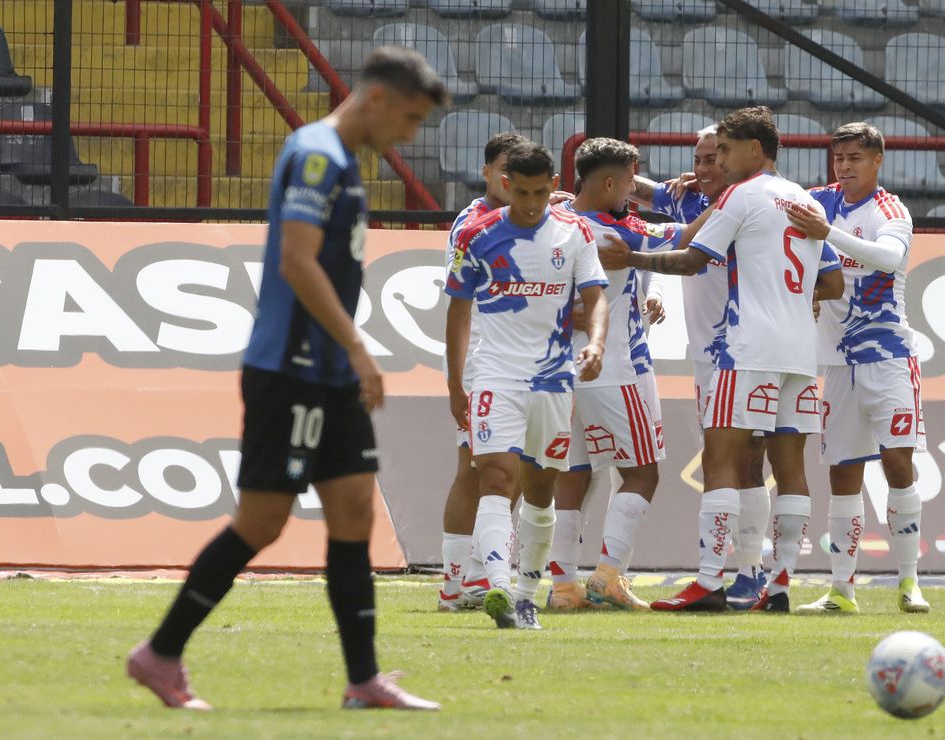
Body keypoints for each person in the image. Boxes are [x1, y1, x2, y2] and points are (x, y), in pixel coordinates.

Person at [126, 47, 447, 711]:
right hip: (291, 369)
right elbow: (298, 264)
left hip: (328, 372)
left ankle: (363, 680)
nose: (410, 136)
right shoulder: (318, 155)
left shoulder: (344, 162)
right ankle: (159, 654)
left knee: (355, 511)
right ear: (377, 98)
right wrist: (358, 347)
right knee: (264, 521)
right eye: (410, 118)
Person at [602, 106, 829, 613]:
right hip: (799, 350)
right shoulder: (801, 198)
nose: (717, 163)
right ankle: (781, 582)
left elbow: (689, 257)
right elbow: (831, 281)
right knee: (789, 467)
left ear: (753, 150)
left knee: (721, 460)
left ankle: (709, 579)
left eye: (724, 151)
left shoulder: (740, 196)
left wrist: (631, 259)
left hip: (744, 346)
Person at [445, 142, 609, 630]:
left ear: (554, 186)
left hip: (554, 379)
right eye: (522, 193)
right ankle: (496, 586)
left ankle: (524, 595)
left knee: (541, 492)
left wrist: (596, 344)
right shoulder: (476, 236)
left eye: (540, 192)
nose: (532, 203)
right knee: (495, 478)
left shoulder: (575, 232)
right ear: (505, 186)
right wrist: (457, 384)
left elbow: (595, 297)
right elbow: (457, 311)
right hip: (495, 375)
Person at [786, 122, 930, 615]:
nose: (844, 167)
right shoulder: (818, 200)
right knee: (842, 473)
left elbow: (889, 260)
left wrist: (829, 235)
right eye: (839, 158)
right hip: (838, 362)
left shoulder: (890, 210)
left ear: (877, 162)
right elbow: (759, 204)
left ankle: (909, 582)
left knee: (897, 464)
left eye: (855, 159)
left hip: (889, 356)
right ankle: (842, 591)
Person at [545, 138, 680, 611]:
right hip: (616, 368)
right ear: (608, 183)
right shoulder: (609, 231)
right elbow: (687, 240)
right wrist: (727, 205)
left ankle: (562, 587)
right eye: (628, 182)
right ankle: (606, 577)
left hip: (561, 371)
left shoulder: (555, 221)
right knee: (642, 474)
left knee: (572, 476)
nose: (633, 191)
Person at [438, 132, 528, 613]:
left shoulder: (523, 218)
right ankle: (454, 582)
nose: (515, 181)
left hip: (512, 358)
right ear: (488, 172)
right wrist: (457, 382)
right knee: (474, 469)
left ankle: (475, 575)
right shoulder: (473, 224)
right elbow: (461, 304)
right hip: (479, 358)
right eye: (506, 171)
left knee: (502, 470)